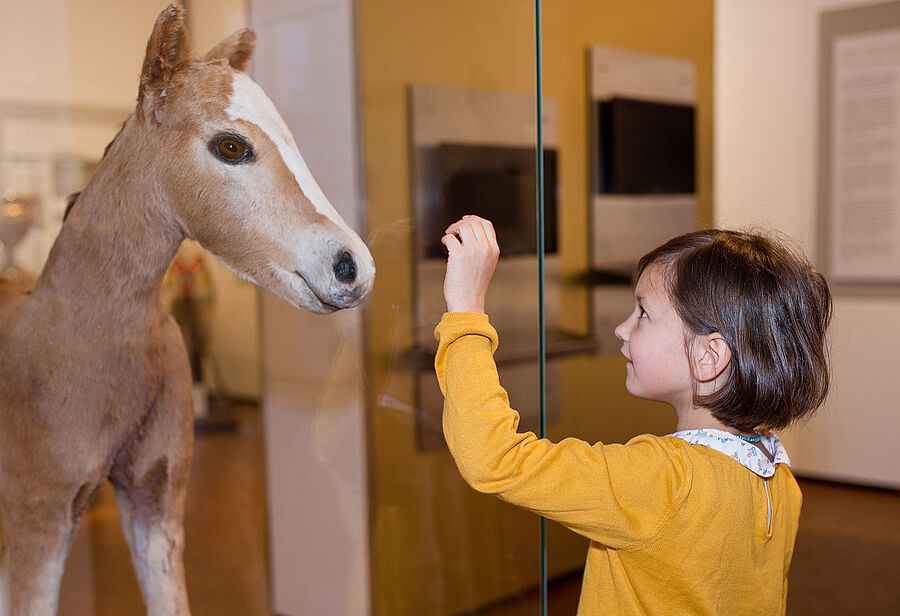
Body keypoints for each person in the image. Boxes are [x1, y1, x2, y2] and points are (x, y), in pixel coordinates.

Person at [435, 215, 832, 615]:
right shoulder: (779, 479)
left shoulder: (660, 482)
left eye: (643, 313)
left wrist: (466, 312)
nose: (622, 329)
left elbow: (495, 459)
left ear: (708, 356)